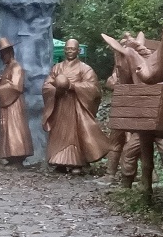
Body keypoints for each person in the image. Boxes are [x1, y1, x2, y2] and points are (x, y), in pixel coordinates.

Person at [41, 38, 111, 172]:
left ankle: (77, 162)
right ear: (64, 50)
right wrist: (56, 90)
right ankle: (59, 162)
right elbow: (46, 86)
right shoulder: (57, 68)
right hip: (60, 105)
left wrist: (72, 86)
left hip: (75, 106)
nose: (70, 51)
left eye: (73, 49)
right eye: (67, 49)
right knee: (59, 133)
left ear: (78, 51)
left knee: (75, 134)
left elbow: (93, 88)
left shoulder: (85, 69)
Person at [0, 37, 34, 168]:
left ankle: (18, 158)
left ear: (10, 52)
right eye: (0, 53)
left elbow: (15, 86)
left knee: (15, 129)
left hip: (14, 103)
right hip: (7, 103)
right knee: (7, 129)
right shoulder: (8, 67)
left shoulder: (16, 67)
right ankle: (11, 157)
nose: (1, 56)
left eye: (3, 53)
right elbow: (6, 82)